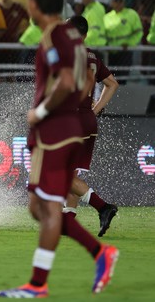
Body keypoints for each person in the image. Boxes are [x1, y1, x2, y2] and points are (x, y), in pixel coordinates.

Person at [0, 0, 119, 298]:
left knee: (47, 207)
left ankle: (39, 283)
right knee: (39, 206)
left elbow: (66, 82)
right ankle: (98, 253)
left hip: (56, 132)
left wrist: (42, 112)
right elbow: (82, 81)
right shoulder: (70, 41)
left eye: (28, 2)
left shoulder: (55, 37)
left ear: (36, 5)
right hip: (62, 129)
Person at [64, 15, 119, 238]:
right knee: (72, 172)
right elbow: (112, 84)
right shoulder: (93, 57)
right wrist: (94, 110)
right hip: (87, 119)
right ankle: (68, 219)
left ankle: (103, 207)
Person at [104, 0, 143, 84]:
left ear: (124, 2)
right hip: (111, 51)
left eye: (120, 1)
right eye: (116, 0)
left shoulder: (132, 14)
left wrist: (129, 44)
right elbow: (103, 34)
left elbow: (138, 32)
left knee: (122, 78)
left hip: (125, 51)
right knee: (110, 78)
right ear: (112, 2)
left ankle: (122, 97)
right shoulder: (107, 17)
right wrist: (106, 45)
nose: (118, 3)